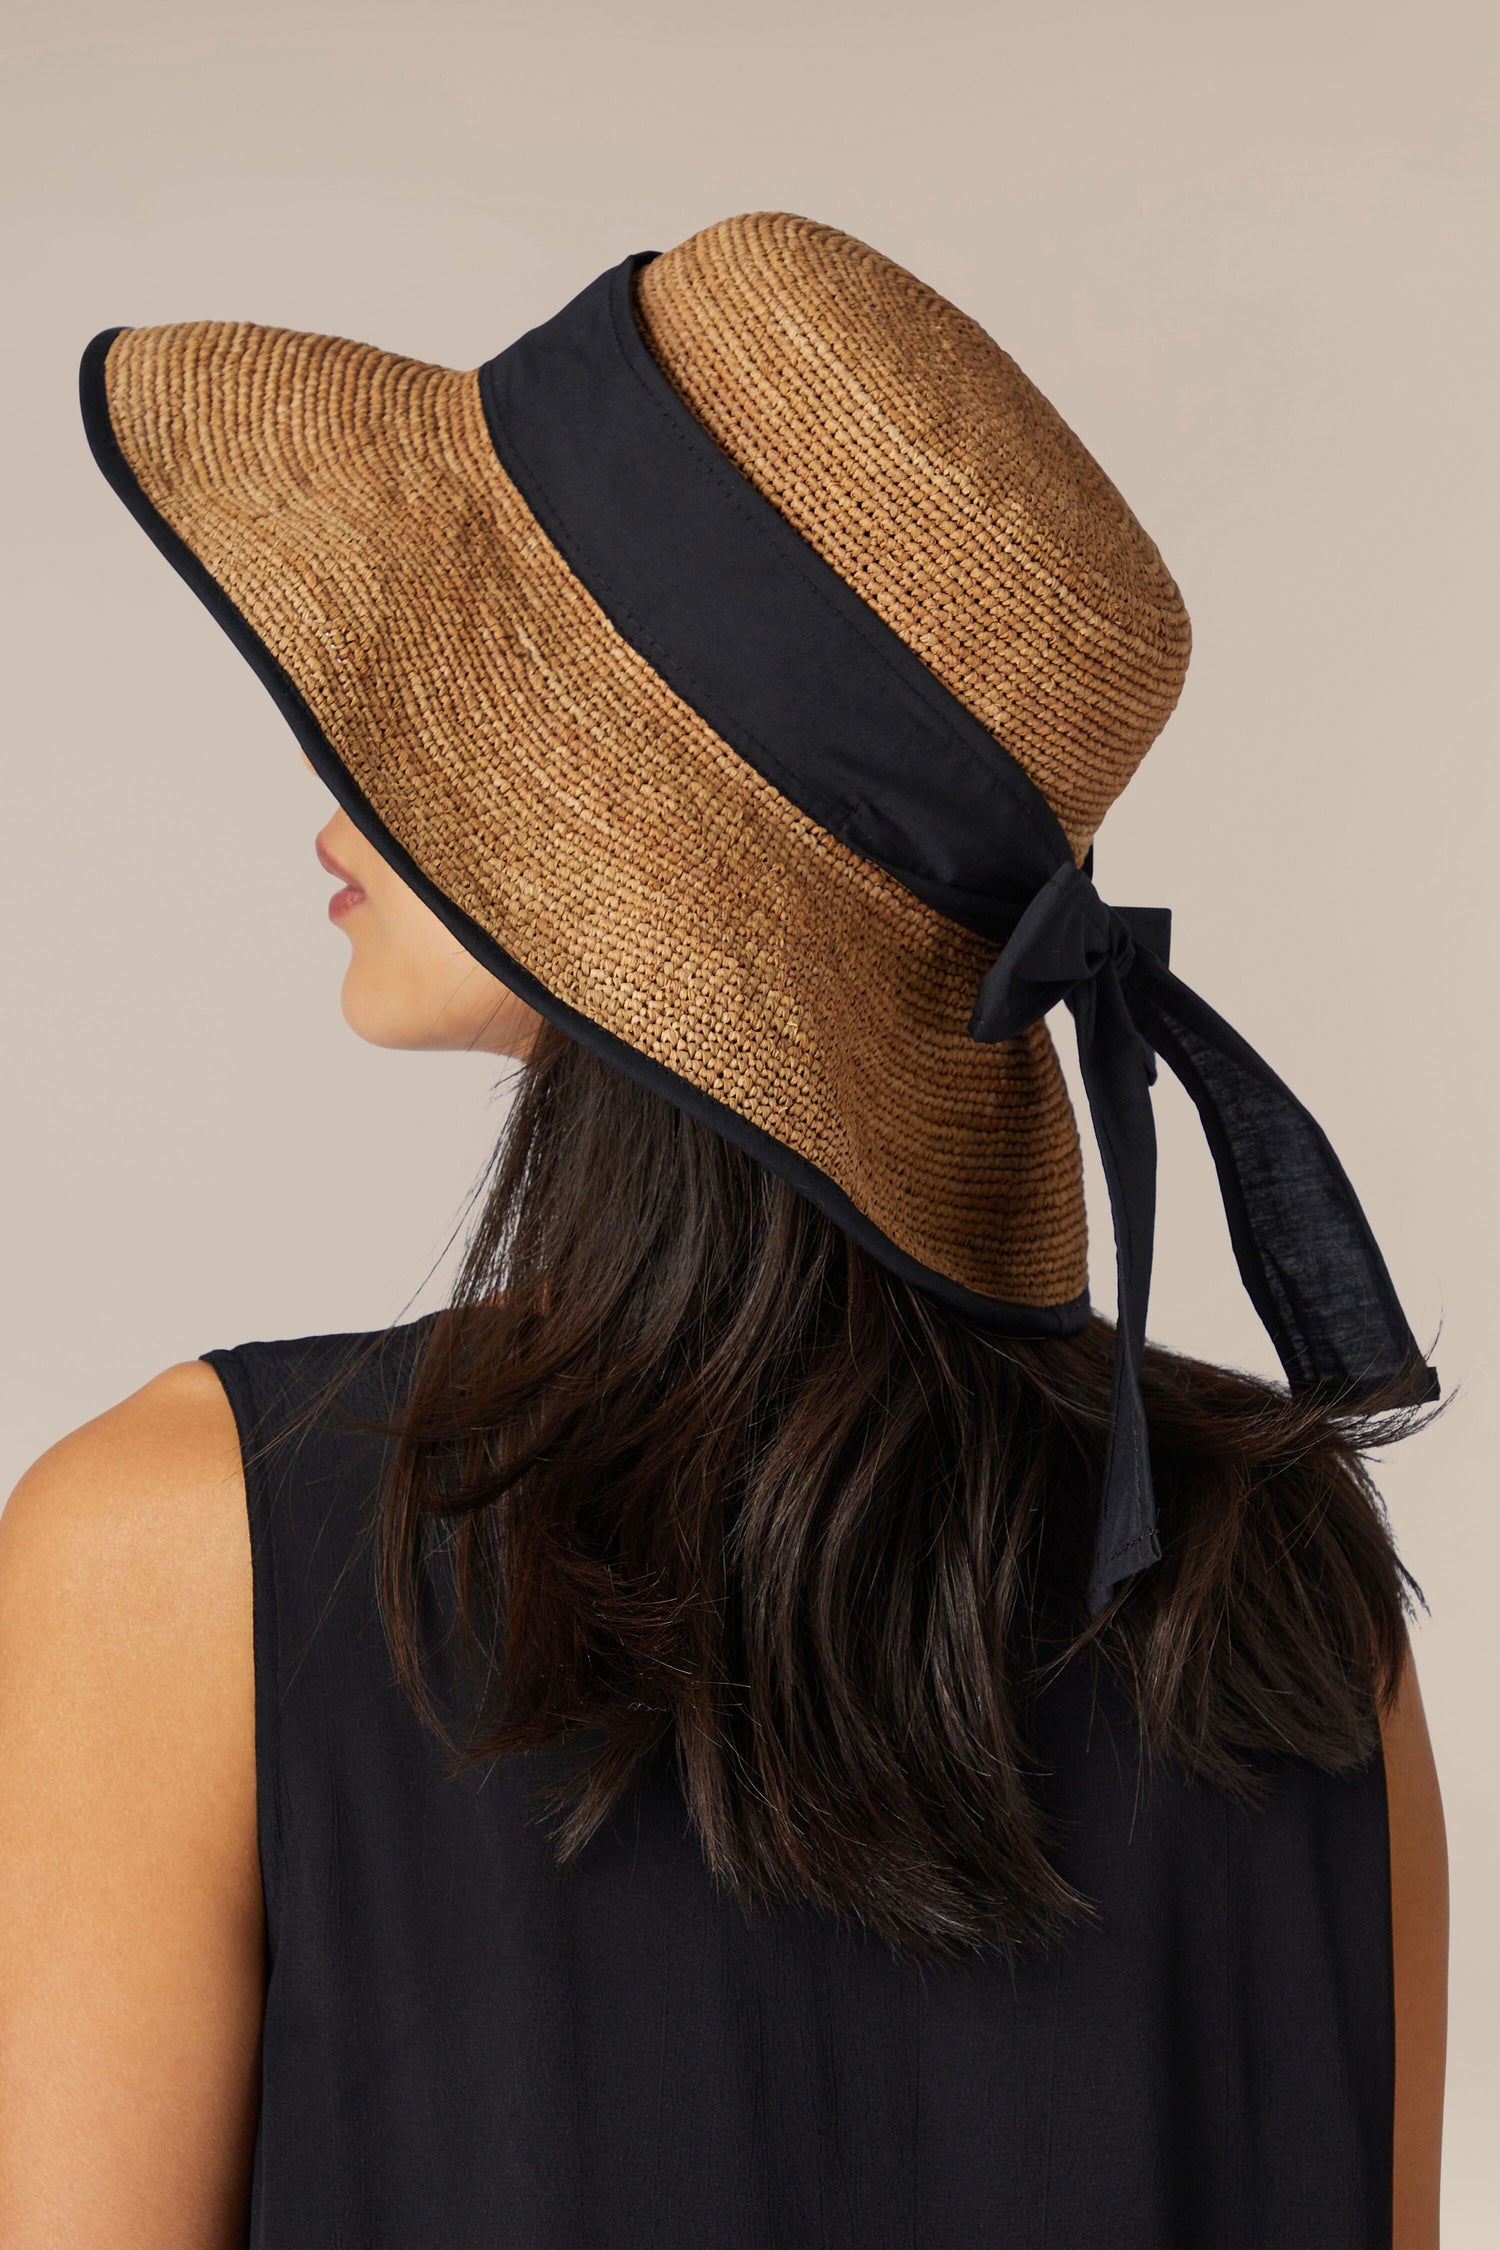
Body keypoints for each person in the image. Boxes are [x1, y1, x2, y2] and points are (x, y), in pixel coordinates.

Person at [0, 212, 1447, 2247]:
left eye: (462, 685)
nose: (338, 754)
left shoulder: (178, 1560)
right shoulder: (1288, 1597)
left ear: (630, 854)